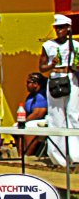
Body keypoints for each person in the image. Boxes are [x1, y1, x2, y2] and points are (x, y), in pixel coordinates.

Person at [39, 13, 79, 166]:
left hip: (70, 78)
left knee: (73, 115)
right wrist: (52, 64)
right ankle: (58, 157)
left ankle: (75, 156)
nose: (58, 30)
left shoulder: (75, 45)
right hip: (55, 78)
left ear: (68, 29)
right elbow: (41, 68)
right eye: (57, 28)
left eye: (62, 28)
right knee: (56, 116)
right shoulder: (48, 45)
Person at [21, 72, 48, 156]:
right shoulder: (30, 96)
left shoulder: (41, 96)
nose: (26, 85)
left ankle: (28, 155)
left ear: (36, 84)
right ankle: (20, 155)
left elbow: (38, 114)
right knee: (16, 127)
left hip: (43, 120)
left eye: (29, 82)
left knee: (29, 126)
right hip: (32, 120)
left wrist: (24, 122)